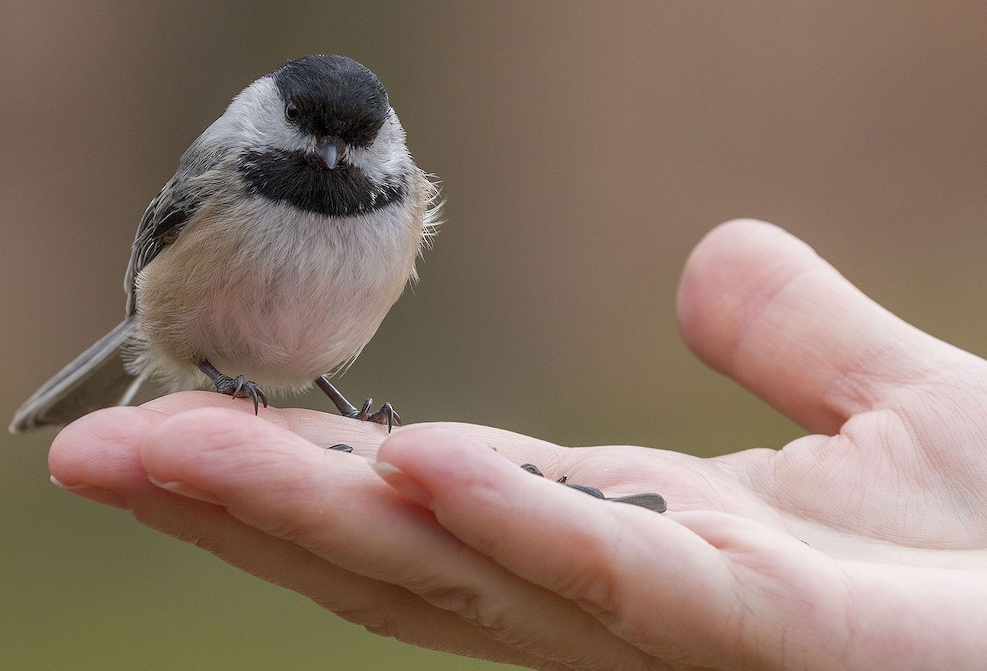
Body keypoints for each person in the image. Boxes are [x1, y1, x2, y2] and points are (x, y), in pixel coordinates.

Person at [48, 219, 987, 670]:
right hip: (194, 348)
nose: (333, 160)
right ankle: (220, 392)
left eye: (352, 144)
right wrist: (217, 373)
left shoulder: (400, 196)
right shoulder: (226, 171)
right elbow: (150, 262)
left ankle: (327, 404)